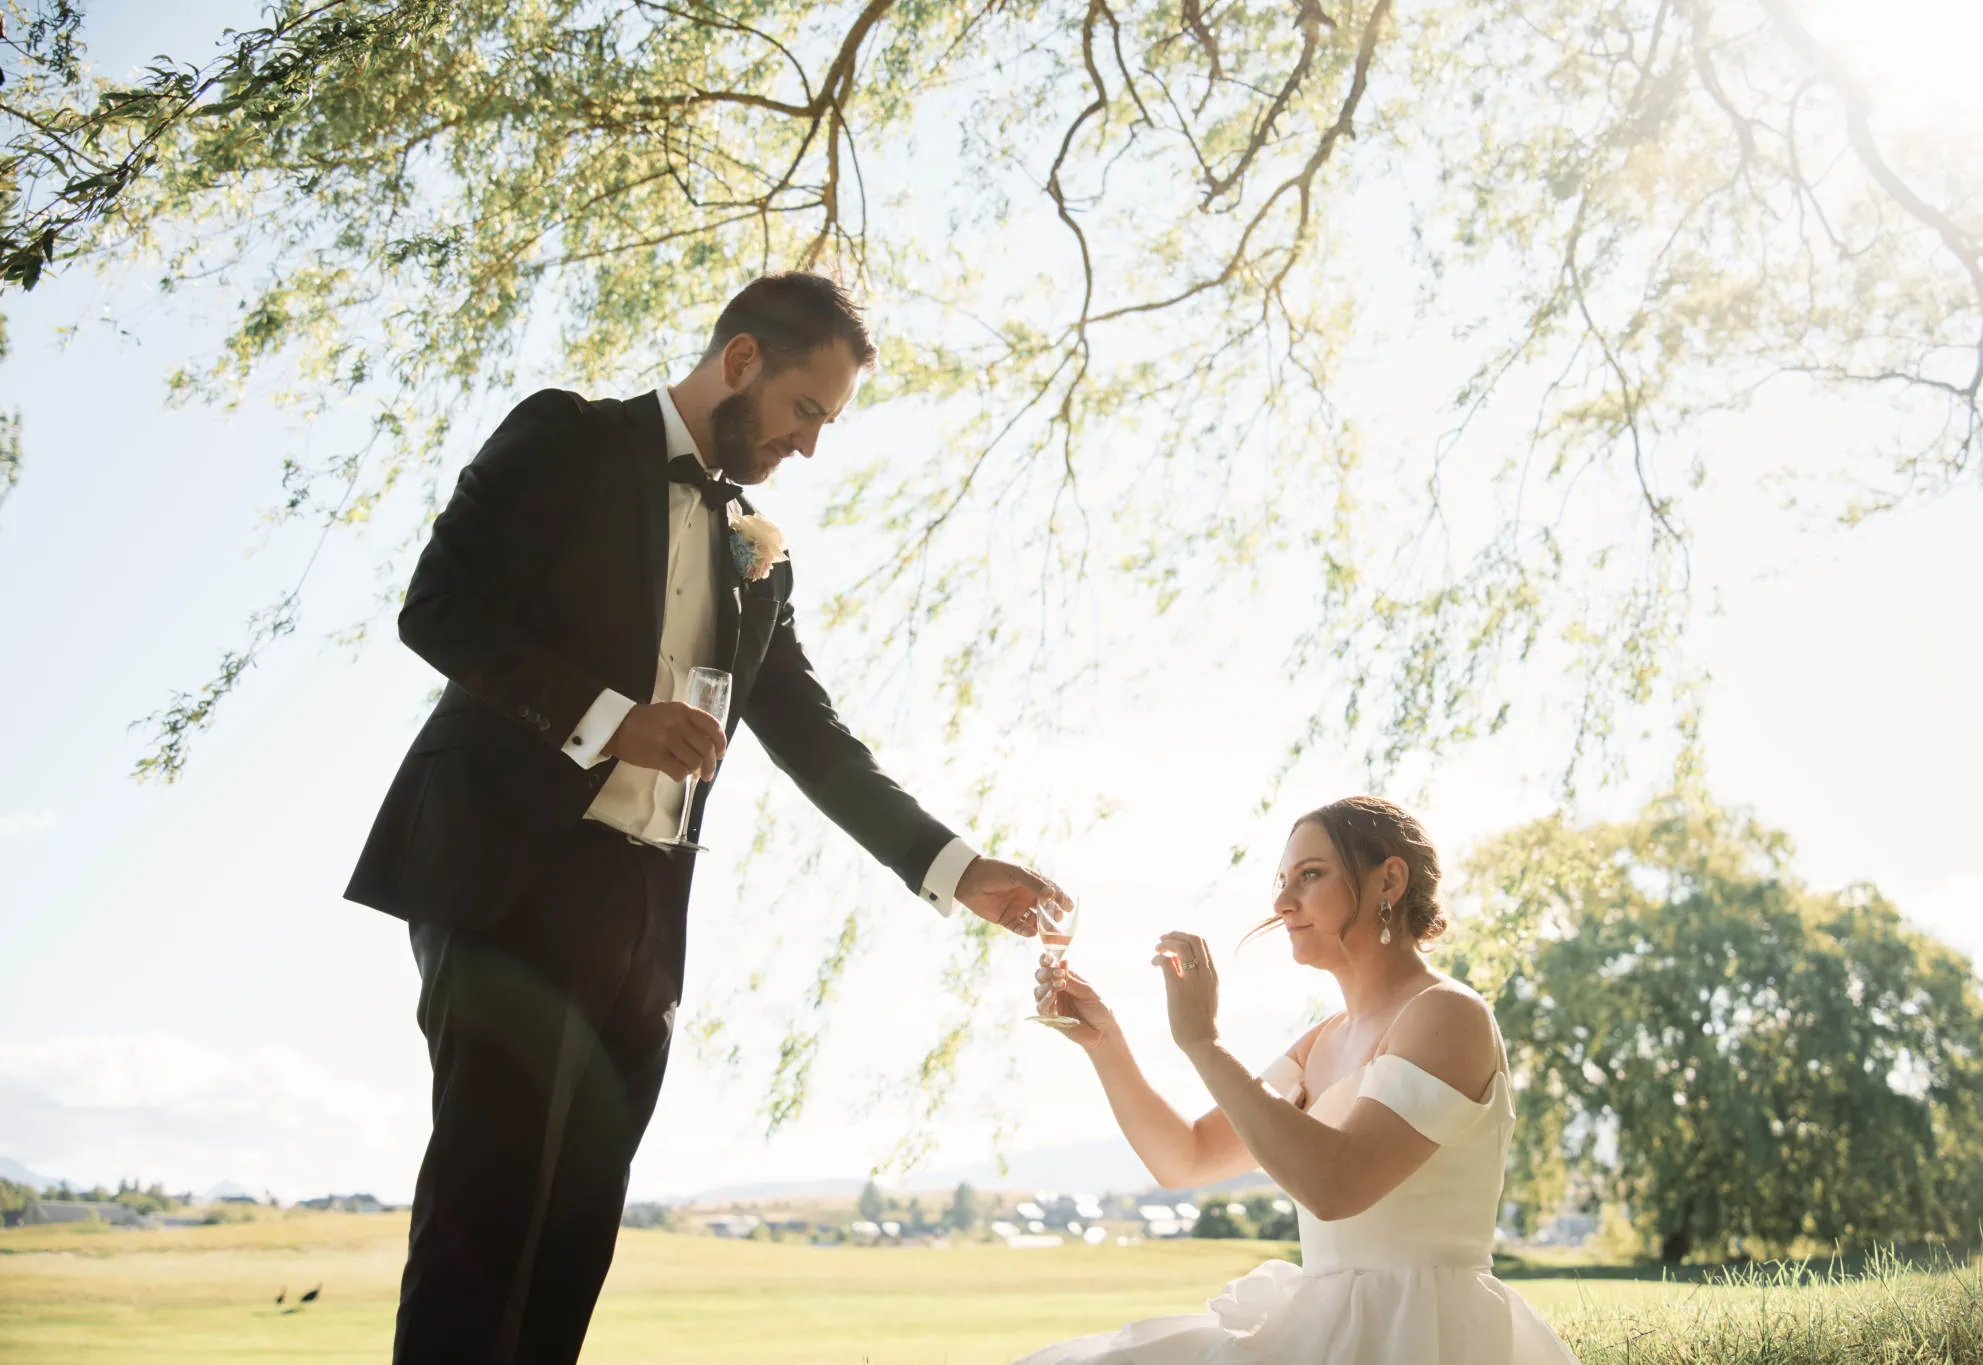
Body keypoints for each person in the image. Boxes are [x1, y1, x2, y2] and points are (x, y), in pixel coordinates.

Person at [342, 272, 1067, 1365]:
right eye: (806, 410)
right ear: (740, 361)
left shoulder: (758, 552)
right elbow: (437, 606)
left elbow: (811, 736)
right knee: (485, 1219)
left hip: (648, 904)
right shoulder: (565, 438)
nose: (811, 446)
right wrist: (606, 721)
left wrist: (955, 869)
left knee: (577, 1230)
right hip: (507, 877)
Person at [1020, 796, 1577, 1364]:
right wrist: (1105, 1041)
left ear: (1389, 880)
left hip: (1425, 1332)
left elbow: (1337, 1186)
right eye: (1282, 881)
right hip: (1322, 1329)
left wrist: (1204, 1044)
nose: (1283, 902)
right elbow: (1185, 1159)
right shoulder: (1320, 1040)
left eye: (1310, 876)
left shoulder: (1448, 1013)